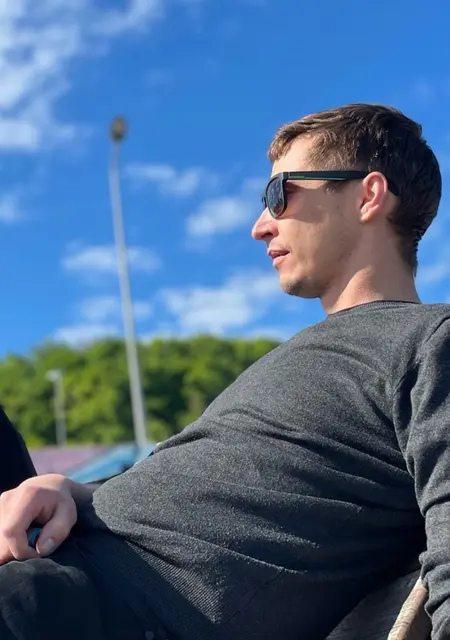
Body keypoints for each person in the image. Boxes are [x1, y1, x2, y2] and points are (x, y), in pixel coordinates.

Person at [0, 103, 447, 640]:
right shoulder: (295, 362)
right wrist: (73, 490)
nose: (260, 226)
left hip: (98, 602)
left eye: (279, 194)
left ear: (368, 195)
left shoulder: (430, 339)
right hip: (52, 549)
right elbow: (183, 488)